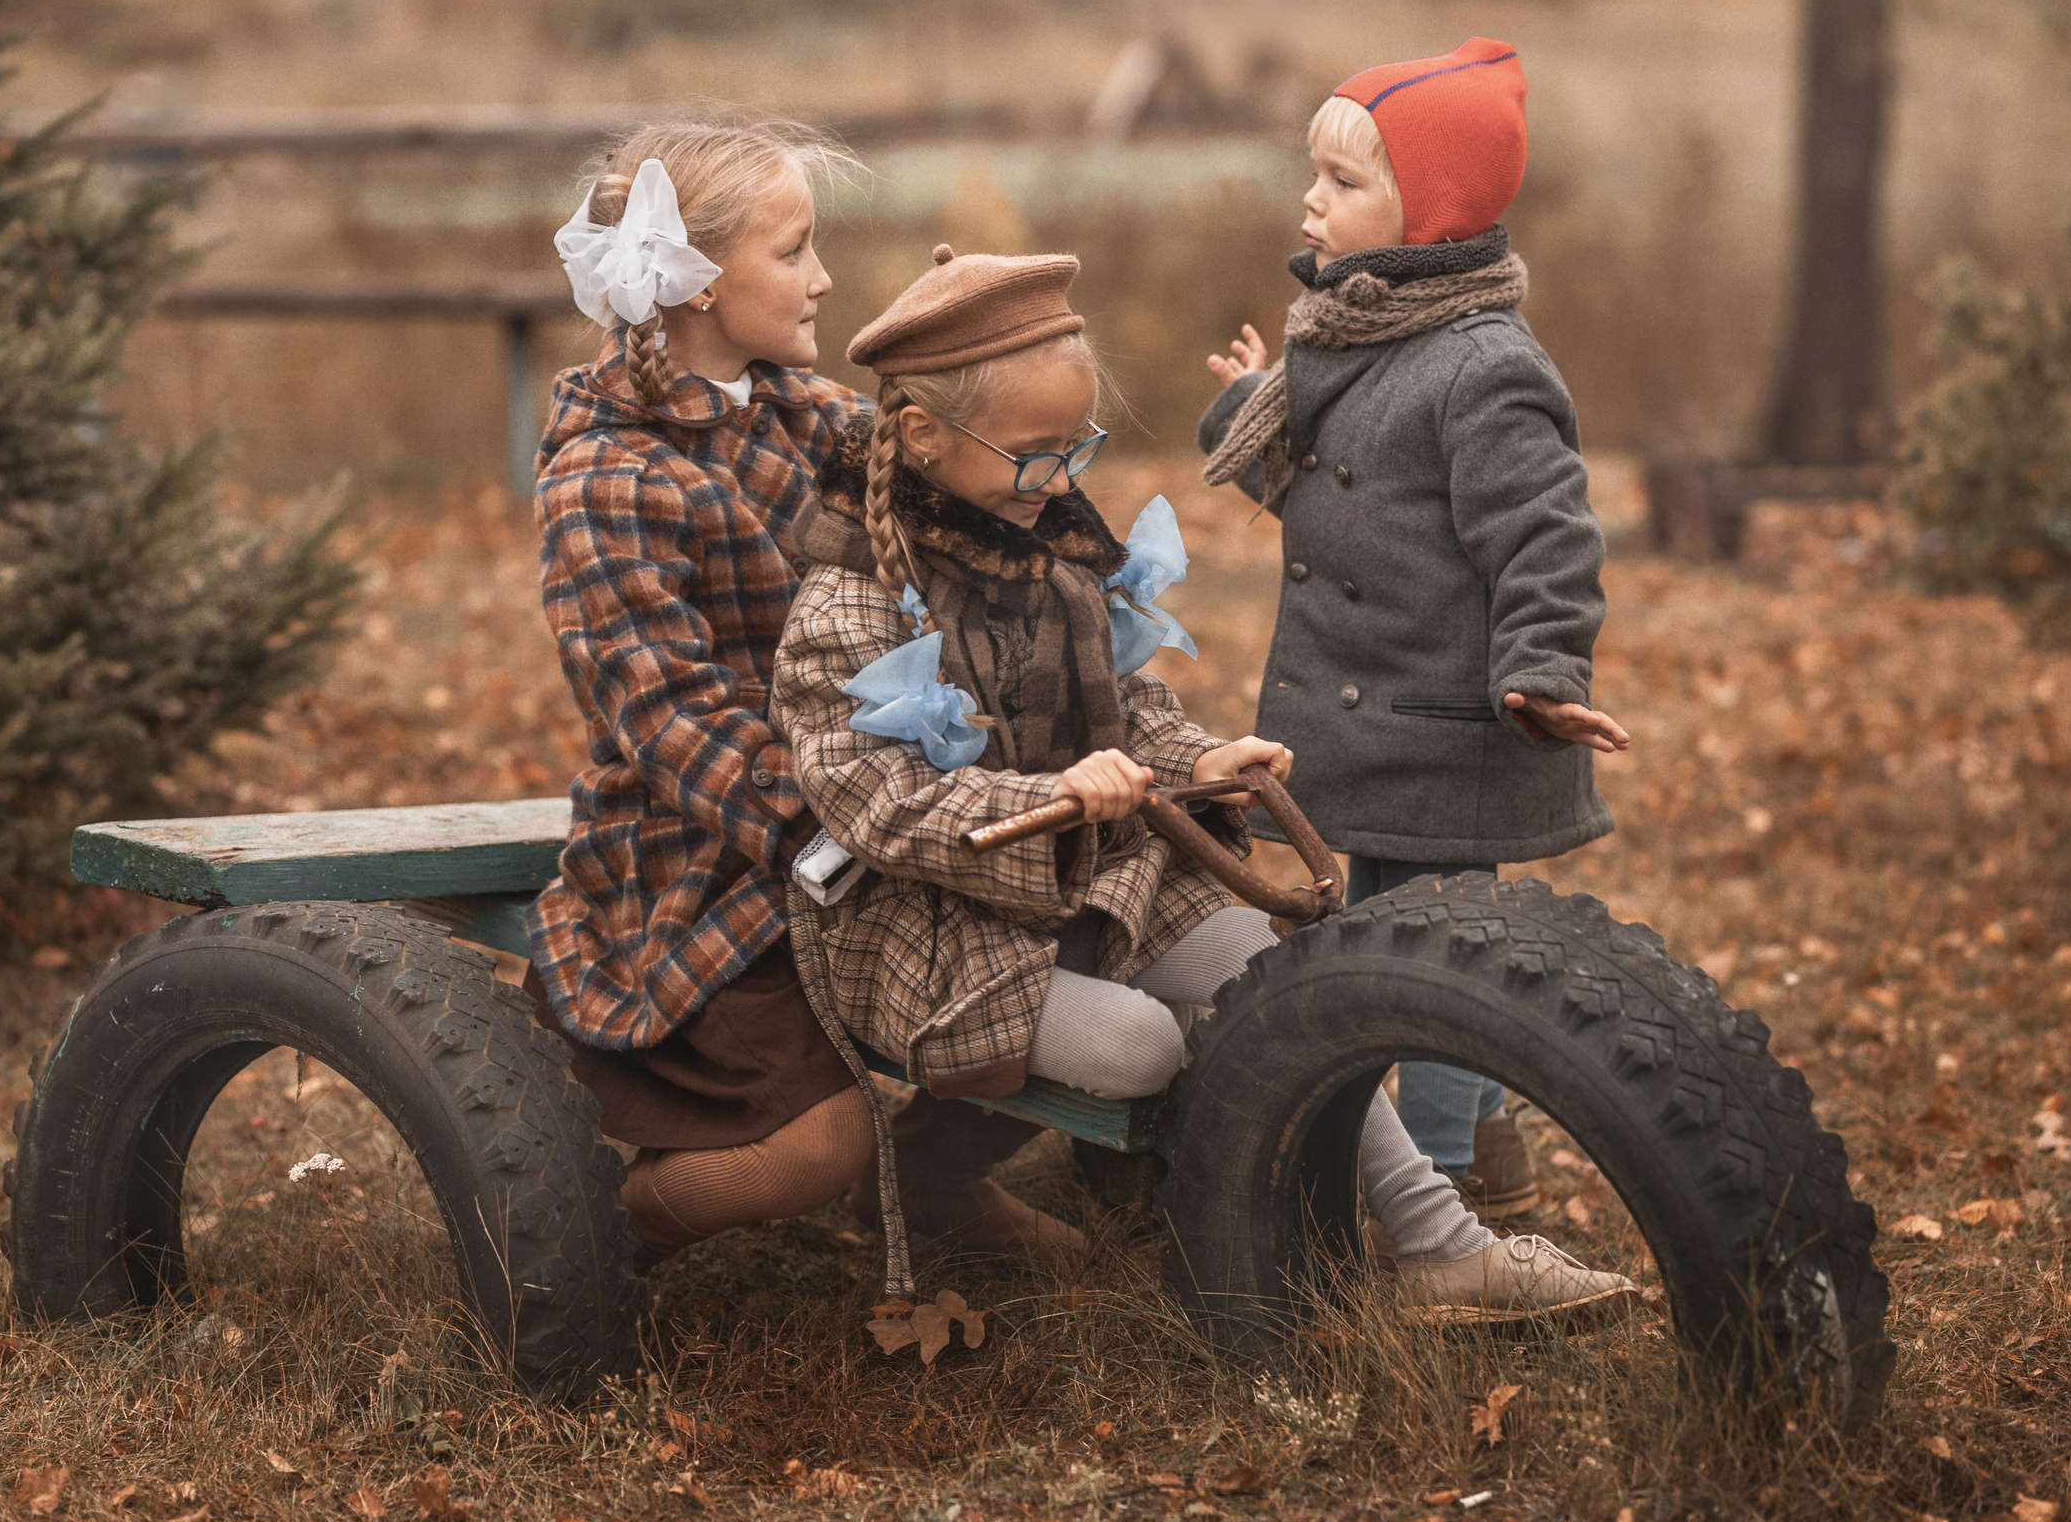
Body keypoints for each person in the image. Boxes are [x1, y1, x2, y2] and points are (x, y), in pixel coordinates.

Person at [774, 244, 1637, 1322]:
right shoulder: (846, 602)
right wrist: (1042, 799)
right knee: (1144, 1046)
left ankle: (1437, 1243)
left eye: (1072, 451)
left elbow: (1129, 709)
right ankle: (936, 1172)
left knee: (1286, 980)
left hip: (1090, 881)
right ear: (920, 437)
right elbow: (875, 801)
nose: (1057, 483)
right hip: (930, 915)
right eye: (1031, 457)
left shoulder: (1054, 556)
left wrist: (1195, 760)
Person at [1197, 37, 1632, 1215]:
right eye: (1316, 175)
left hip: (1442, 727)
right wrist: (1252, 411)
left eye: (1342, 181)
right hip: (1367, 720)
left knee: (1439, 968)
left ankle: (1443, 1192)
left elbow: (1545, 535)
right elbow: (1343, 502)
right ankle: (1483, 1153)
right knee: (1395, 946)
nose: (1312, 201)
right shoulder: (1354, 336)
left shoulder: (1481, 365)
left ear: (1425, 211)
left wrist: (1540, 668)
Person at [523, 116, 883, 1274]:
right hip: (707, 845)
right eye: (794, 251)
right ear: (698, 285)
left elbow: (942, 499)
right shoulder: (606, 476)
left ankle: (936, 1191)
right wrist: (845, 821)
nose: (822, 277)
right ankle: (596, 1232)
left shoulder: (808, 416)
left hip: (879, 800)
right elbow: (670, 720)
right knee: (816, 1146)